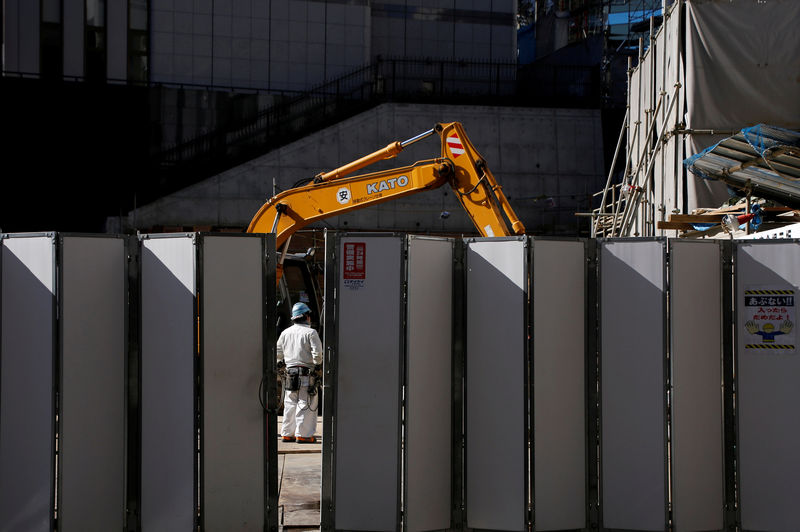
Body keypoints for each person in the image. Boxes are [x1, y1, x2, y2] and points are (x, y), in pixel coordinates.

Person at [277, 302, 323, 443]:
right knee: (306, 403)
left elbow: (278, 353)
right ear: (307, 316)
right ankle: (303, 435)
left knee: (290, 403)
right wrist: (317, 366)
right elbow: (318, 355)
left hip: (290, 374)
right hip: (306, 374)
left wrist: (280, 362)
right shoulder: (311, 333)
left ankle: (287, 433)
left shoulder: (286, 333)